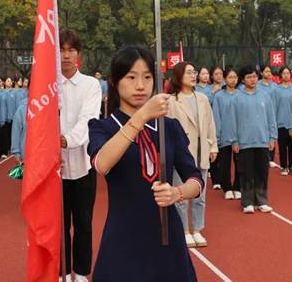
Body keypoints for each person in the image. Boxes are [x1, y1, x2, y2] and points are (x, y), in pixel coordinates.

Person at [87, 45, 203, 282]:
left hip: (166, 235)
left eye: (147, 77)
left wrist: (177, 192)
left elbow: (196, 180)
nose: (140, 86)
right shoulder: (103, 128)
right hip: (123, 237)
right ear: (114, 81)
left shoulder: (169, 128)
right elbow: (102, 164)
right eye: (131, 77)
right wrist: (141, 116)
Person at [59, 30, 102, 282]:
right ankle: (62, 271)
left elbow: (88, 119)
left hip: (84, 166)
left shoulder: (91, 85)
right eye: (61, 50)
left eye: (70, 50)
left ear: (78, 54)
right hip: (57, 169)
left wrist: (64, 140)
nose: (65, 55)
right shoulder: (48, 85)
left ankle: (82, 273)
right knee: (60, 226)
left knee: (84, 224)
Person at [166, 61, 218, 248]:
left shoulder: (202, 98)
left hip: (201, 150)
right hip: (182, 154)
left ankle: (197, 229)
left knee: (200, 194)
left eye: (194, 72)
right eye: (189, 72)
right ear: (179, 76)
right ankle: (184, 230)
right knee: (181, 194)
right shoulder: (172, 100)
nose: (193, 75)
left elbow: (210, 124)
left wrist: (213, 147)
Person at [227, 65, 277, 214]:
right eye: (249, 77)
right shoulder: (236, 98)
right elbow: (232, 121)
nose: (252, 79)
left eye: (254, 76)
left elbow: (271, 118)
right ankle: (247, 202)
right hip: (244, 143)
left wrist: (272, 137)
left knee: (262, 171)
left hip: (262, 140)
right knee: (246, 172)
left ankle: (261, 200)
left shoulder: (264, 96)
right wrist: (234, 140)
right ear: (243, 80)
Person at [212, 67, 241, 201]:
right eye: (230, 77)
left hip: (240, 136)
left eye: (235, 77)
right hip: (224, 135)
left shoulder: (241, 95)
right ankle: (227, 187)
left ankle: (237, 187)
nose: (233, 80)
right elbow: (216, 117)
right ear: (225, 79)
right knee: (224, 163)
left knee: (240, 162)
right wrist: (217, 136)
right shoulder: (219, 96)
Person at [273, 66, 292, 176]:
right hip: (281, 122)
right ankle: (284, 166)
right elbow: (273, 107)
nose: (286, 75)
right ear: (280, 75)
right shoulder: (276, 90)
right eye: (284, 73)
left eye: (288, 73)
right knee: (282, 146)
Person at [207, 66, 225, 189]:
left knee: (224, 152)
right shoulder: (208, 90)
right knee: (214, 149)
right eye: (216, 74)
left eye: (220, 73)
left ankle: (224, 179)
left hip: (225, 121)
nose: (218, 76)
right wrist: (213, 92)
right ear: (212, 76)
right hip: (212, 122)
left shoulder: (227, 87)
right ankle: (216, 180)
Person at [257, 66, 278, 167]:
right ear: (261, 73)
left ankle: (271, 157)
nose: (269, 73)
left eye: (270, 71)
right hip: (260, 114)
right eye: (266, 71)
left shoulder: (275, 86)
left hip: (272, 114)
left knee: (272, 134)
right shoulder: (257, 85)